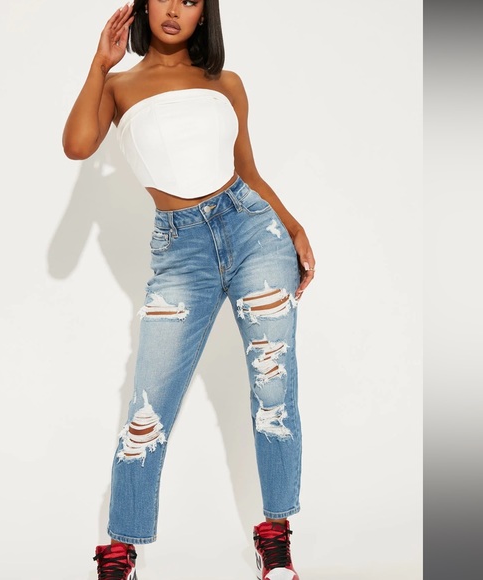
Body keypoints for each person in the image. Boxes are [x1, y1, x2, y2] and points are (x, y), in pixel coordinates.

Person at [63, 1, 315, 578]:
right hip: (180, 254)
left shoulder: (226, 83)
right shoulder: (120, 85)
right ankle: (122, 548)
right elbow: (77, 146)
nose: (175, 9)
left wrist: (294, 228)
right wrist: (99, 65)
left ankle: (275, 536)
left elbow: (248, 171)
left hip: (254, 234)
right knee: (148, 405)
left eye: (192, 0)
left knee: (274, 387)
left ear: (205, 14)